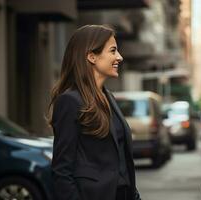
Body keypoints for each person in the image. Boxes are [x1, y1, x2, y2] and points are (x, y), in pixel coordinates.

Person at [47, 25, 141, 200]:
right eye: (113, 51)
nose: (119, 57)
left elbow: (121, 159)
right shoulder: (70, 101)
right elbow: (61, 171)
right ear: (91, 56)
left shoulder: (109, 97)